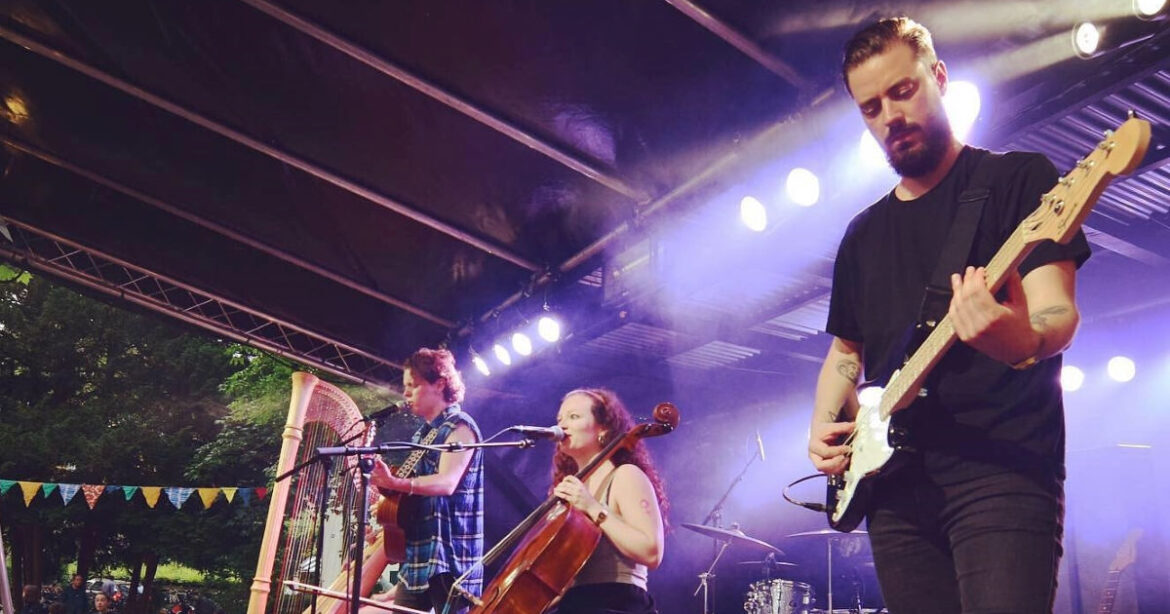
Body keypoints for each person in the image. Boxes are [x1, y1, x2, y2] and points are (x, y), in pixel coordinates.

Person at [807, 16, 1089, 614]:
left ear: (938, 77)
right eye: (871, 106)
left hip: (1001, 472)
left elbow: (1057, 313)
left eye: (902, 91)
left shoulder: (1017, 180)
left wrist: (1017, 338)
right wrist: (823, 424)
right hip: (895, 489)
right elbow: (845, 356)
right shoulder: (861, 236)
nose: (890, 116)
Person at [362, 347, 484, 614]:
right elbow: (415, 493)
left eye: (413, 386)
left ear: (439, 384)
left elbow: (446, 483)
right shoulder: (422, 435)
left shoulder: (459, 426)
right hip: (418, 554)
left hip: (450, 556)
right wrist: (385, 484)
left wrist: (396, 484)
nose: (405, 394)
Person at [547, 388, 667, 614]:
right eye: (559, 419)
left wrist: (593, 507)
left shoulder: (625, 475)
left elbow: (651, 552)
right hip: (576, 604)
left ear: (603, 428)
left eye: (574, 417)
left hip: (617, 603)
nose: (561, 426)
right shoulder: (570, 488)